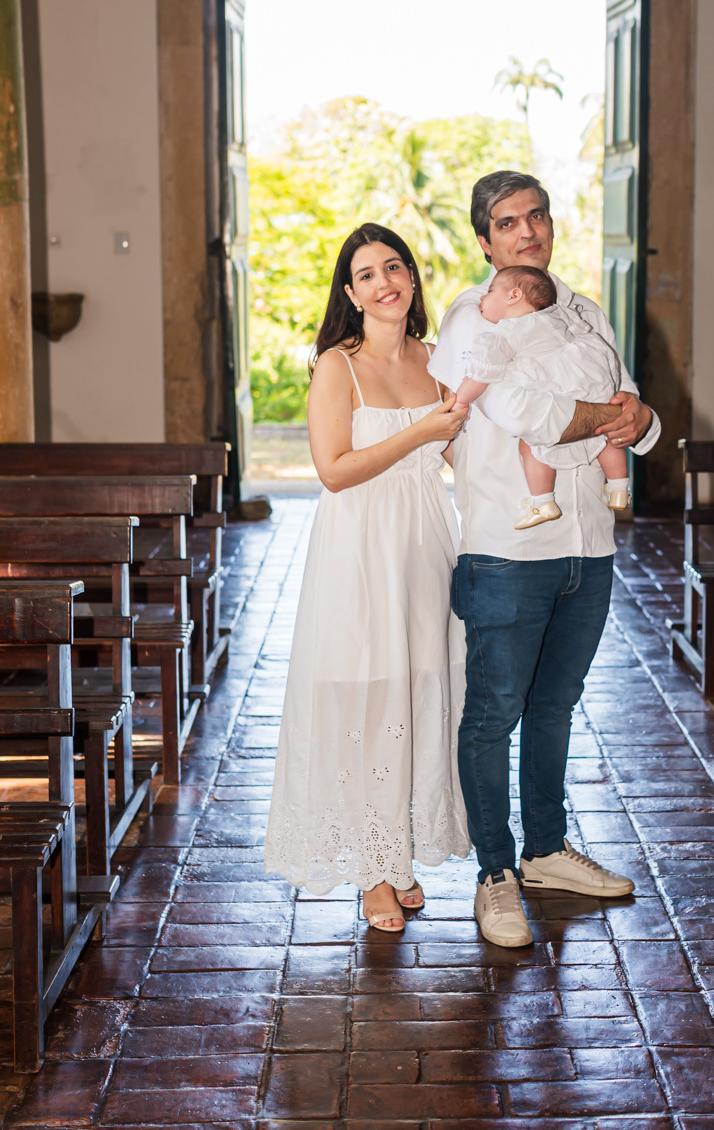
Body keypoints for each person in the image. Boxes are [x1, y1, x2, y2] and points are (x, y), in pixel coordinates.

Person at [428, 171, 660, 948]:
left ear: (550, 225)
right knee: (493, 714)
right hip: (507, 551)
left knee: (556, 708)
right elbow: (525, 413)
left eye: (536, 217)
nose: (526, 232)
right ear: (484, 240)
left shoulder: (583, 310)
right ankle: (494, 874)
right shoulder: (473, 318)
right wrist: (611, 417)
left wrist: (645, 417)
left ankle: (545, 852)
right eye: (506, 222)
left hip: (588, 548)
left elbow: (636, 414)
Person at [264, 222, 471, 932]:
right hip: (360, 546)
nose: (384, 282)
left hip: (426, 541)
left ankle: (400, 849)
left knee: (420, 687)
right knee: (366, 693)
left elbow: (462, 459)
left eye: (394, 267)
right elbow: (333, 471)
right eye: (367, 275)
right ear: (349, 294)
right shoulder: (337, 366)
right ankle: (371, 871)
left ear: (411, 278)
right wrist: (417, 432)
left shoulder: (439, 358)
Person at [450, 264, 630, 530]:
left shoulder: (506, 332)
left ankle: (543, 501)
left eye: (489, 292)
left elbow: (482, 374)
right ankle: (618, 489)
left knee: (530, 445)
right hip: (593, 378)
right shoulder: (560, 315)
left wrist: (461, 400)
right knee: (604, 434)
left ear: (513, 296)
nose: (482, 298)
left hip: (560, 389)